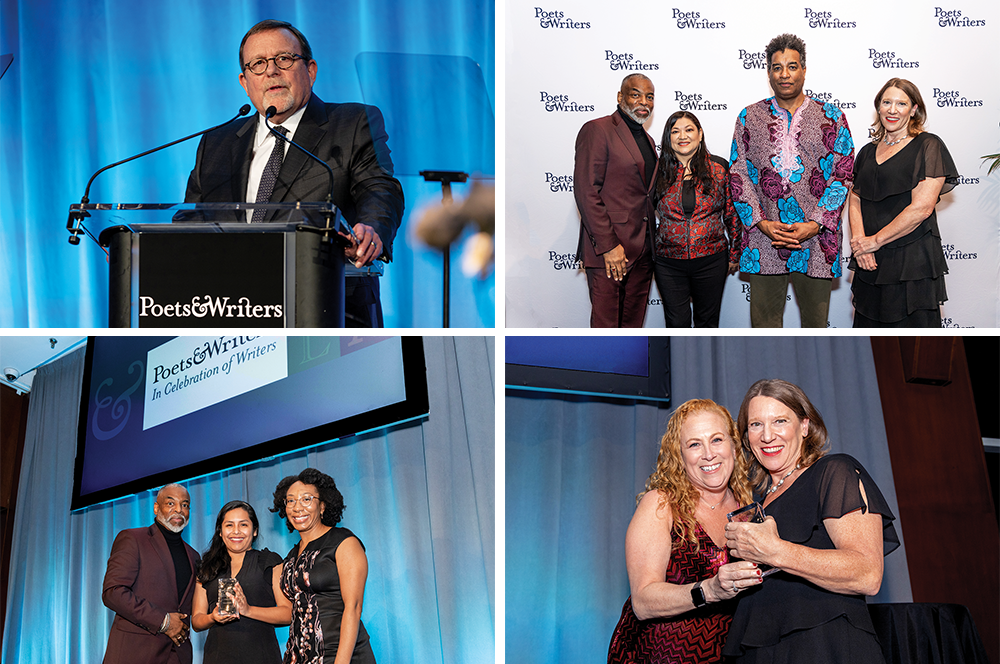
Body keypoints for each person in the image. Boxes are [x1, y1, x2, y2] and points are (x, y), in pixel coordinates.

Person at [184, 19, 405, 327]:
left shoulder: (352, 123)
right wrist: (147, 255)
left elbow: (379, 188)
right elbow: (192, 221)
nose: (271, 71)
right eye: (258, 64)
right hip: (233, 315)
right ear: (245, 82)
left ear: (310, 70)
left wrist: (370, 228)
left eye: (283, 59)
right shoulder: (216, 143)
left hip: (330, 308)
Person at [723, 379, 900, 663]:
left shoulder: (834, 472)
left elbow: (868, 574)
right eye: (755, 425)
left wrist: (776, 552)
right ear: (746, 436)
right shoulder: (754, 504)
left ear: (804, 426)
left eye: (779, 421)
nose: (767, 435)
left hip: (824, 646)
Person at [608, 399, 761, 664]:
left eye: (716, 440)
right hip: (660, 655)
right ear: (679, 456)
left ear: (734, 447)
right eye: (694, 444)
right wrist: (710, 590)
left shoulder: (749, 510)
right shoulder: (661, 504)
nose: (708, 454)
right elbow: (643, 602)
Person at [729, 34, 854, 328]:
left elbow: (843, 173)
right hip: (764, 239)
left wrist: (815, 224)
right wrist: (761, 222)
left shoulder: (832, 116)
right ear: (769, 72)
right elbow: (738, 173)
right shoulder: (748, 117)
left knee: (815, 327)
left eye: (792, 66)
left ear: (804, 69)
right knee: (764, 327)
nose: (784, 74)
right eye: (777, 67)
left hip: (816, 240)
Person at [848, 78, 959, 327]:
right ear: (878, 107)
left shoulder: (929, 146)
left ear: (914, 109)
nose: (893, 109)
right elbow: (854, 198)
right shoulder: (866, 152)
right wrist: (860, 244)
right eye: (887, 102)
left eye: (901, 103)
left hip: (911, 262)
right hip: (870, 261)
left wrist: (873, 242)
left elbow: (922, 208)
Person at [574, 73, 658, 327]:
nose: (644, 101)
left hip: (644, 250)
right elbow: (587, 191)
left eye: (650, 96)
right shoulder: (598, 130)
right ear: (620, 97)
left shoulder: (648, 139)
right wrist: (609, 246)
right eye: (636, 94)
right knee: (606, 330)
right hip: (610, 252)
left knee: (633, 329)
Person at [272, 468, 376, 663]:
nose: (297, 507)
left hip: (339, 655)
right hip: (299, 656)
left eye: (306, 499)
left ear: (322, 506)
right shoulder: (291, 556)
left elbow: (353, 607)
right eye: (291, 500)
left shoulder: (344, 542)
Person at [652, 111, 739, 327]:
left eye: (689, 130)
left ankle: (704, 359)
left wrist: (735, 253)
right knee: (676, 323)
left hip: (711, 260)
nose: (683, 136)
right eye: (675, 131)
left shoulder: (719, 168)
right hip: (668, 262)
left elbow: (732, 214)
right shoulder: (656, 172)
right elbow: (642, 215)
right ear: (668, 138)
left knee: (707, 322)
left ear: (700, 134)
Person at [102, 484, 200, 664]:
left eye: (185, 505)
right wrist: (164, 621)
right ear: (156, 508)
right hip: (135, 654)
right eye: (171, 503)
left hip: (177, 656)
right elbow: (113, 592)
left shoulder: (194, 556)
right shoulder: (133, 539)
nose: (179, 509)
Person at [192, 500, 291, 664]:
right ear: (220, 532)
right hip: (217, 657)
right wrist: (213, 617)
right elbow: (196, 621)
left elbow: (288, 613)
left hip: (261, 656)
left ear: (254, 531)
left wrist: (248, 610)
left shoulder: (269, 561)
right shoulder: (207, 568)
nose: (236, 531)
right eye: (229, 525)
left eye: (243, 525)